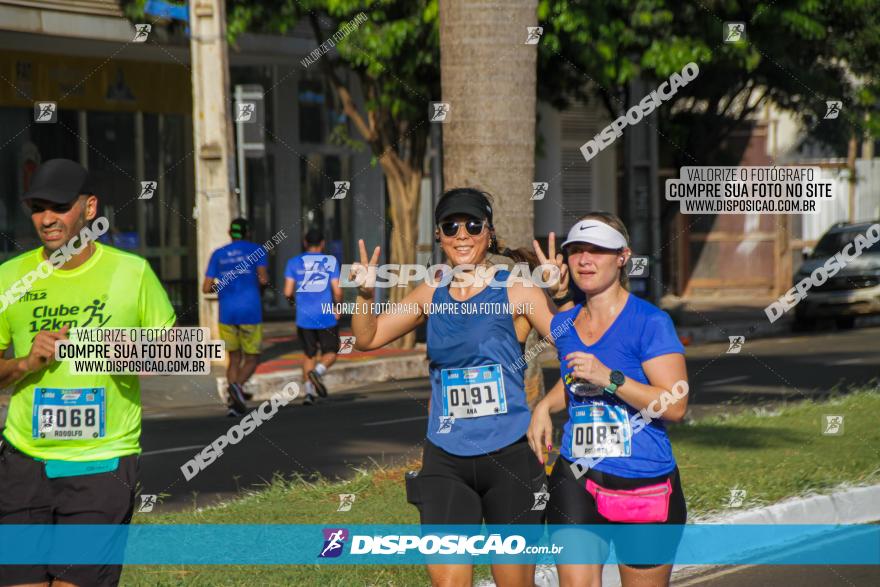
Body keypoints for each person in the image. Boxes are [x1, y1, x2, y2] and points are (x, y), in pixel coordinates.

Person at [351, 188, 570, 587]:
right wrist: (365, 294)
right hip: (445, 460)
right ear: (439, 236)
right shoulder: (431, 292)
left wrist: (560, 294)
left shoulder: (515, 289)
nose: (462, 234)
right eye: (451, 226)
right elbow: (368, 338)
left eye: (473, 225)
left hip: (509, 457)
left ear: (489, 232)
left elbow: (571, 342)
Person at [0, 158, 176, 587]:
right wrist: (25, 363)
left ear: (89, 208)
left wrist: (127, 355)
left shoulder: (131, 274)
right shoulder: (10, 277)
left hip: (101, 464)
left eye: (58, 207)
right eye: (37, 207)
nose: (46, 219)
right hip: (24, 463)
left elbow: (173, 354)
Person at [527, 212, 689, 586]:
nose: (585, 260)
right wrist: (545, 406)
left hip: (643, 482)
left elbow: (675, 404)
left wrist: (610, 378)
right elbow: (575, 381)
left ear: (622, 256)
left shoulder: (650, 322)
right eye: (577, 251)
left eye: (598, 250)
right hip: (576, 478)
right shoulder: (565, 323)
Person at [203, 218, 269, 416]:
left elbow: (206, 288)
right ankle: (238, 387)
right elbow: (264, 279)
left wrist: (222, 287)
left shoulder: (218, 254)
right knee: (253, 358)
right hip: (251, 311)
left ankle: (234, 403)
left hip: (227, 314)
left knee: (233, 359)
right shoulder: (257, 251)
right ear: (248, 232)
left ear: (230, 232)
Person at [283, 228, 342, 406]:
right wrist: (337, 306)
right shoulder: (330, 261)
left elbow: (287, 292)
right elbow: (338, 291)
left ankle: (309, 393)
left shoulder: (293, 262)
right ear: (322, 243)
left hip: (304, 317)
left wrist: (293, 302)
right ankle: (318, 372)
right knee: (331, 352)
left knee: (309, 355)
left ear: (305, 242)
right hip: (326, 316)